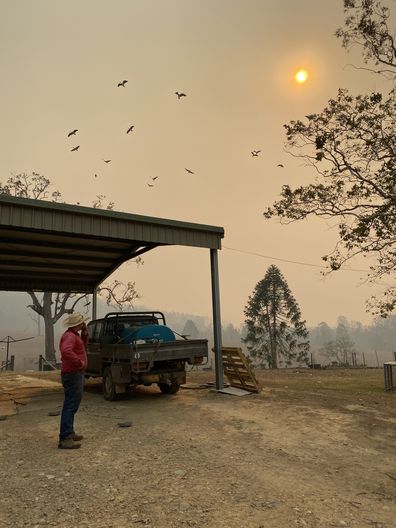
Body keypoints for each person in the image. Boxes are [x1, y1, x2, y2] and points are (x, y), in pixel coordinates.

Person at [58, 312, 89, 449]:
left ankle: (68, 432)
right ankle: (65, 437)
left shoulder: (74, 335)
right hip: (73, 373)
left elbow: (81, 347)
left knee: (72, 403)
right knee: (70, 405)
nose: (84, 324)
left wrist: (85, 334)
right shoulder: (70, 336)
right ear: (78, 324)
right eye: (82, 322)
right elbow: (66, 351)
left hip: (74, 373)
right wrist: (79, 363)